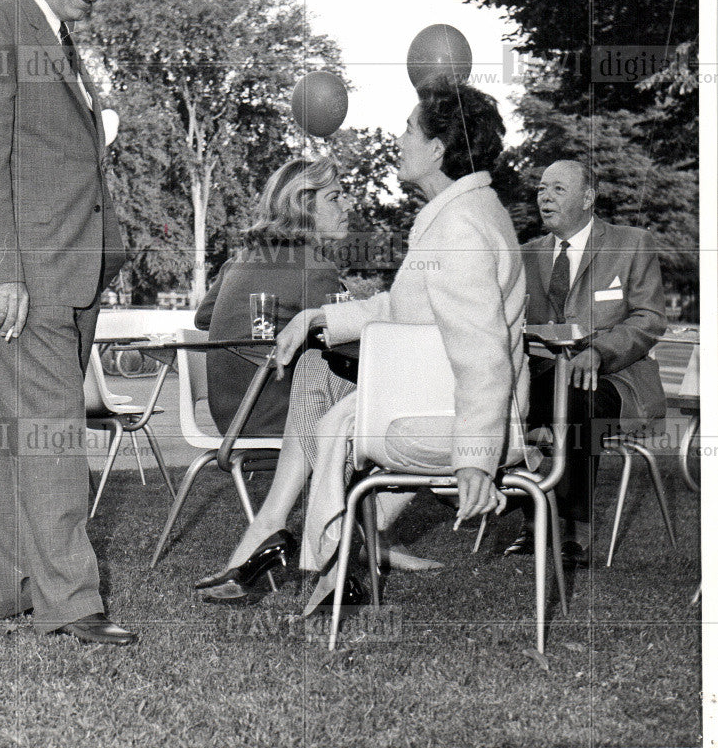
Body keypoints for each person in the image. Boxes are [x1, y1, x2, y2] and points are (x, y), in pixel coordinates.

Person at [197, 82, 538, 609]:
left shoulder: (461, 228)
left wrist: (474, 458)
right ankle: (333, 561)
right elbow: (403, 308)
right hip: (439, 402)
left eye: (407, 129)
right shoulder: (458, 214)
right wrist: (317, 316)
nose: (398, 139)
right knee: (328, 397)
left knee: (328, 396)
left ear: (436, 150)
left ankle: (315, 551)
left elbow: (484, 357)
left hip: (460, 420)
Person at [0, 0, 136, 646]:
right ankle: (72, 606)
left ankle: (11, 590)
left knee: (19, 436)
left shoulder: (62, 45)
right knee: (53, 433)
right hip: (28, 280)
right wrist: (1, 273)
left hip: (72, 276)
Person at [505, 160, 667, 567]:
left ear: (588, 197)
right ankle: (519, 506)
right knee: (502, 404)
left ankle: (571, 532)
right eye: (542, 189)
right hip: (543, 375)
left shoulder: (632, 243)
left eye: (558, 189)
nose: (544, 197)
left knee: (578, 404)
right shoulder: (525, 255)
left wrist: (599, 351)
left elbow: (649, 318)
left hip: (616, 380)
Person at [194, 156, 353, 438]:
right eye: (334, 198)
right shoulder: (314, 267)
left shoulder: (240, 260)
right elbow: (348, 347)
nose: (347, 206)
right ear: (304, 207)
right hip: (279, 418)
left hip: (232, 419)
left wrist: (265, 330)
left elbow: (204, 318)